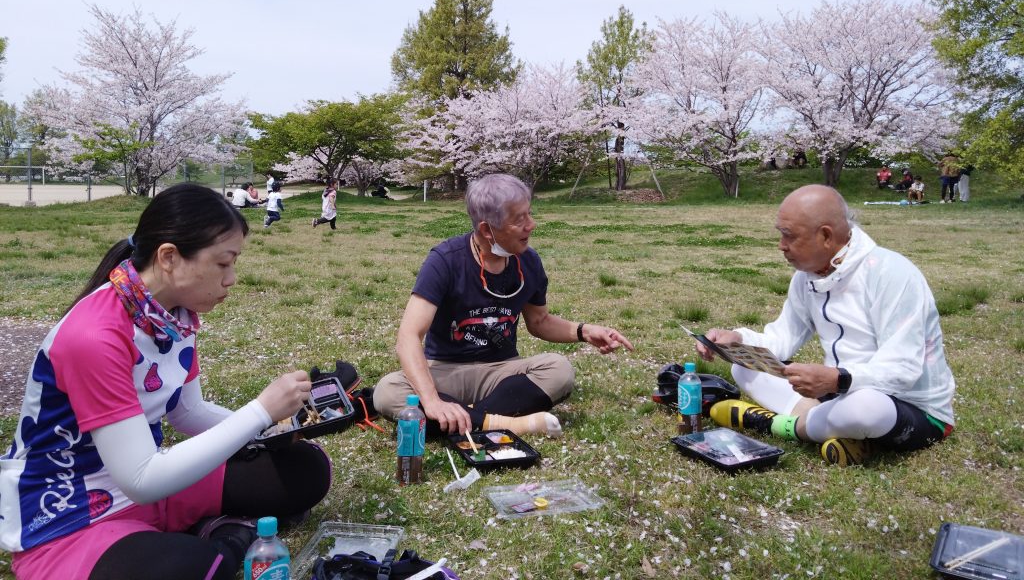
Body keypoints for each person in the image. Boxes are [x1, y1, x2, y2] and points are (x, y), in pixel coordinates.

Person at [0, 183, 331, 580]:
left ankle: (200, 534)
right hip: (72, 515)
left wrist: (273, 432)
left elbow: (188, 411)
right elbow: (141, 477)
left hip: (154, 492)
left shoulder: (172, 315)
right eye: (223, 263)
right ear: (169, 257)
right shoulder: (94, 336)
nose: (232, 279)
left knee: (306, 469)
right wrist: (259, 411)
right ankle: (224, 540)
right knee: (191, 568)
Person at [698, 184, 955, 466]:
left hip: (907, 406)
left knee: (863, 409)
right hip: (838, 392)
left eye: (789, 236)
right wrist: (737, 338)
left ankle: (775, 425)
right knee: (744, 367)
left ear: (826, 236)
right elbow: (783, 338)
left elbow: (902, 369)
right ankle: (835, 430)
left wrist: (837, 378)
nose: (781, 246)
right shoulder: (805, 277)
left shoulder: (891, 272)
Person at [374, 173, 634, 438]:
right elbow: (409, 336)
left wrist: (585, 331)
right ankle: (507, 423)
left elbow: (540, 322)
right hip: (445, 371)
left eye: (529, 214)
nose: (531, 225)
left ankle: (466, 420)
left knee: (559, 369)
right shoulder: (445, 260)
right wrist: (431, 400)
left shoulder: (528, 261)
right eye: (519, 219)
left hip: (501, 372)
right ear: (487, 230)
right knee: (387, 391)